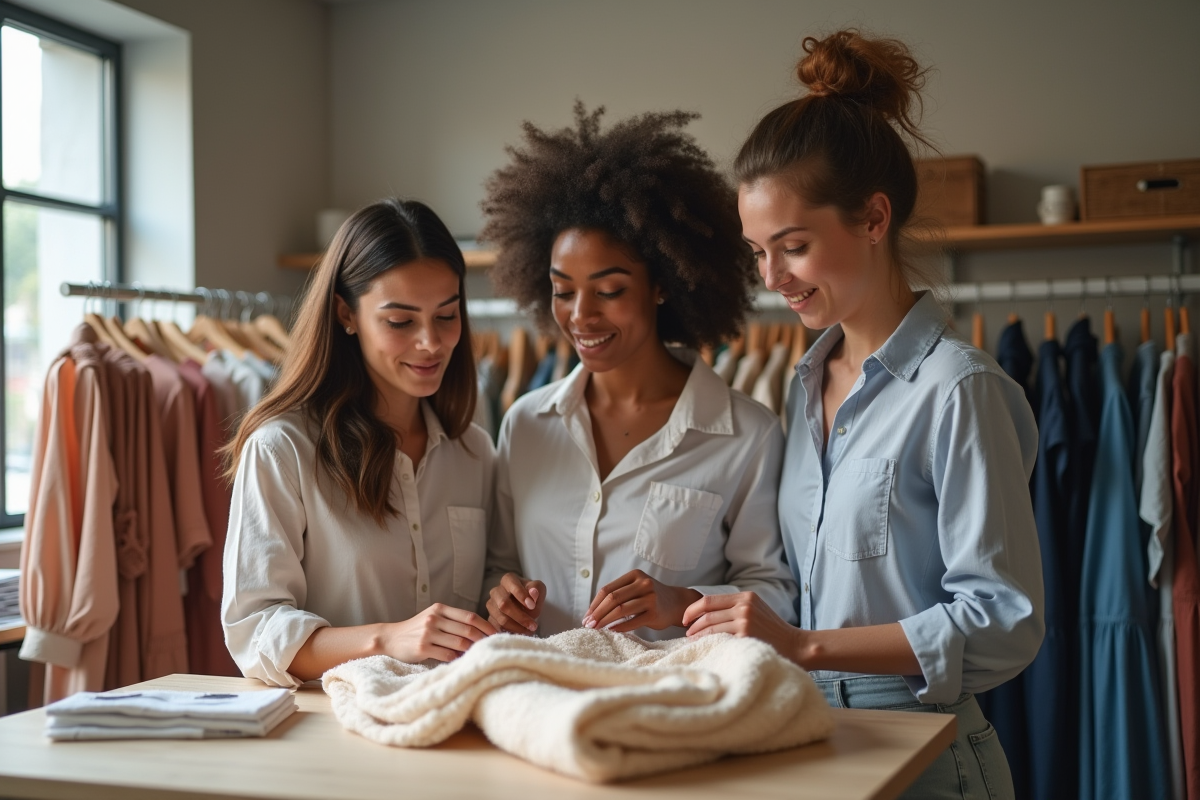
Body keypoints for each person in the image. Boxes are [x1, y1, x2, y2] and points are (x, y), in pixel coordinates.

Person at [682, 31, 1044, 799]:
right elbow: (804, 595)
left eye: (793, 246)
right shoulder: (803, 384)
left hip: (926, 752)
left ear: (874, 218)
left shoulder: (958, 391)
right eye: (757, 253)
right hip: (812, 743)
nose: (771, 277)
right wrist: (688, 607)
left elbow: (1004, 620)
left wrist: (805, 646)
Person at [481, 103, 796, 641]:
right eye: (563, 291)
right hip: (542, 707)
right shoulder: (526, 423)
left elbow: (775, 594)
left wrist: (686, 603)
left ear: (662, 284)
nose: (581, 315)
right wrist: (501, 595)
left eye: (609, 291)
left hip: (673, 712)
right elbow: (497, 565)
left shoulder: (747, 436)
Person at [222, 198, 496, 687]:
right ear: (346, 314)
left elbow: (484, 588)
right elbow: (255, 632)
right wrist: (387, 639)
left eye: (447, 315)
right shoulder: (282, 450)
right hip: (336, 733)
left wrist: (505, 597)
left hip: (452, 724)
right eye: (400, 322)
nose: (431, 342)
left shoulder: (474, 452)